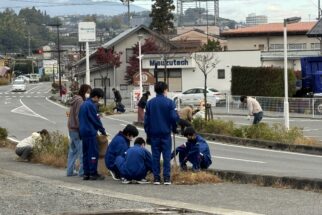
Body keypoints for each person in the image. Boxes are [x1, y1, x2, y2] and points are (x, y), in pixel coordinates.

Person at [144, 82, 179, 185]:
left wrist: (148, 133)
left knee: (155, 156)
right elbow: (174, 117)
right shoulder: (170, 102)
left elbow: (146, 121)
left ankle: (156, 178)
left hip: (154, 134)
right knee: (166, 156)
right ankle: (167, 178)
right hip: (165, 133)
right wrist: (174, 127)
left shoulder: (150, 103)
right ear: (165, 90)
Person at [78, 88, 107, 180]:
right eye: (99, 98)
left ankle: (86, 173)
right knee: (93, 153)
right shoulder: (91, 105)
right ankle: (93, 173)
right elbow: (96, 120)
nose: (99, 100)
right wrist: (103, 131)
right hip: (90, 132)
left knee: (86, 153)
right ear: (95, 97)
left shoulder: (83, 104)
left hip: (83, 132)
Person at [66, 84, 92, 177]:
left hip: (71, 128)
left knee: (72, 151)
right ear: (84, 91)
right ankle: (82, 172)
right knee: (81, 151)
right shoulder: (80, 101)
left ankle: (69, 171)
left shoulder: (75, 99)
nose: (88, 94)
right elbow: (79, 116)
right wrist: (82, 128)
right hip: (77, 129)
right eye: (88, 92)